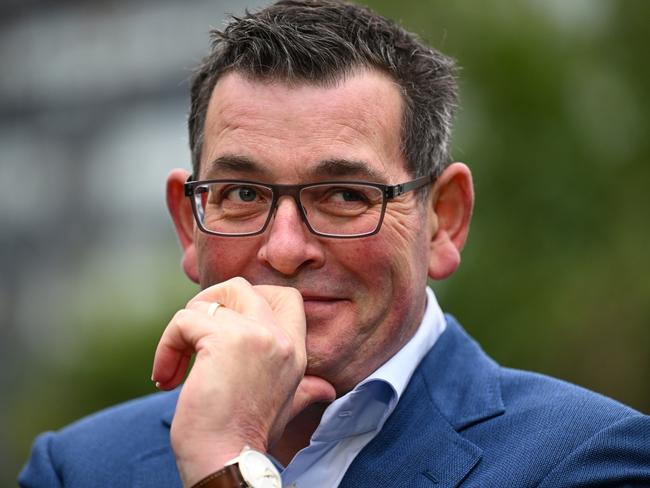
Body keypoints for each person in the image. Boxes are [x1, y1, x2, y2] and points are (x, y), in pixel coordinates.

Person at [19, 1, 650, 487]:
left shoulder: (588, 459)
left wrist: (224, 465)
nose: (286, 249)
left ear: (443, 222)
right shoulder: (78, 467)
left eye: (345, 195)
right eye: (242, 194)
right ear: (190, 224)